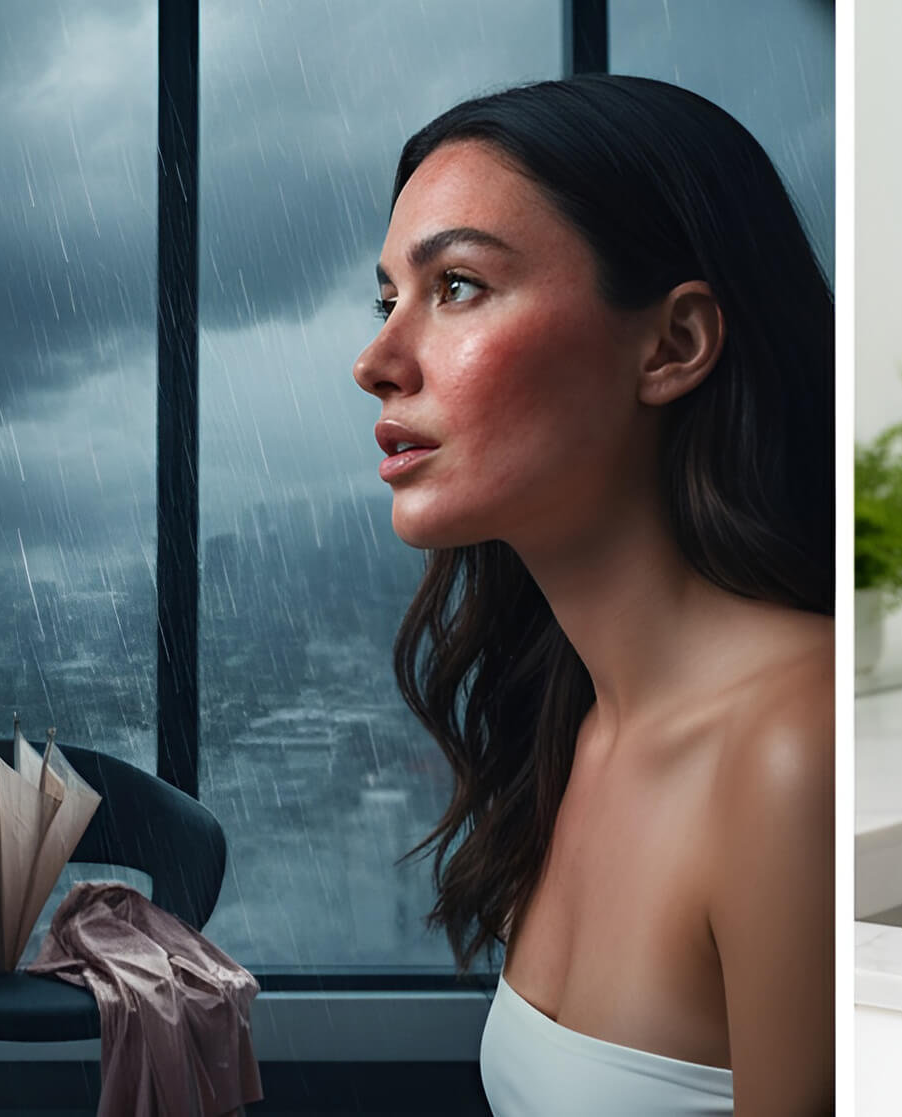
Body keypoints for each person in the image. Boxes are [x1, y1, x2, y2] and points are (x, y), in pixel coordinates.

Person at [351, 74, 834, 1113]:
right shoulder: (579, 723)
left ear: (672, 344)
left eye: (458, 288)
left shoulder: (793, 752)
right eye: (388, 298)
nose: (377, 360)